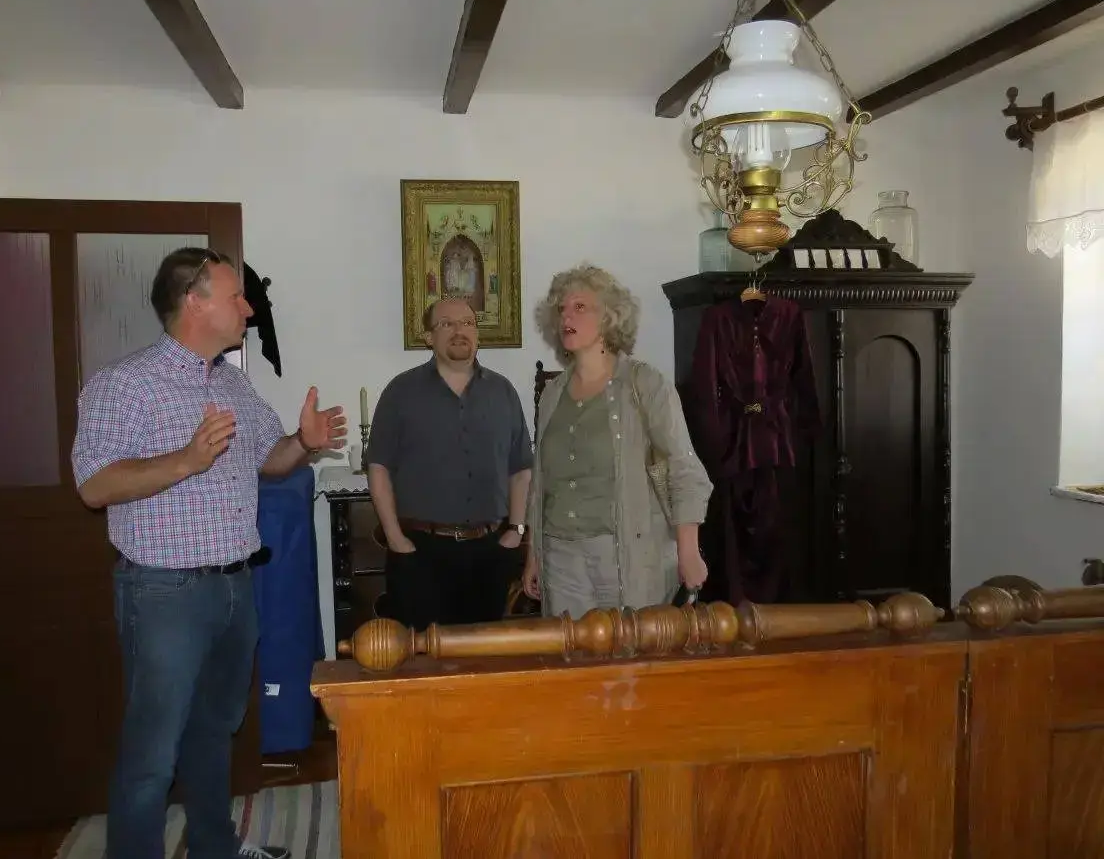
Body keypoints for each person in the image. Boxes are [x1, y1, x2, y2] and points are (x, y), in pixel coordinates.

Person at [71, 247, 345, 859]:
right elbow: (94, 485)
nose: (249, 308)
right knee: (152, 752)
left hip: (235, 587)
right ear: (194, 302)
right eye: (235, 296)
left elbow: (269, 461)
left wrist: (304, 441)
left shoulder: (232, 381)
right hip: (162, 593)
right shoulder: (122, 386)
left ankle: (213, 847)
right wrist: (186, 461)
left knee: (216, 731)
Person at [521, 264, 712, 618]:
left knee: (630, 651)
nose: (566, 316)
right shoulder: (552, 394)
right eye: (561, 308)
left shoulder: (645, 384)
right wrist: (533, 554)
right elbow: (541, 483)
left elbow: (683, 469)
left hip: (626, 554)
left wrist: (688, 551)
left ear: (609, 316)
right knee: (572, 652)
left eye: (580, 306)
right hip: (560, 559)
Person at [367, 297, 533, 629]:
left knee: (484, 653)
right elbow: (378, 467)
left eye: (468, 323)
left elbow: (521, 469)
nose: (460, 330)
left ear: (477, 334)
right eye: (447, 324)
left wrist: (516, 531)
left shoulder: (503, 392)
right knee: (420, 655)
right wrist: (396, 538)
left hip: (490, 552)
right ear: (429, 337)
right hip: (420, 553)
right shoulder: (401, 392)